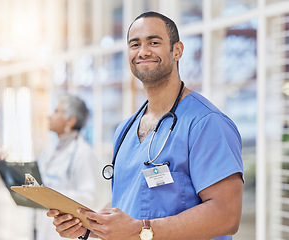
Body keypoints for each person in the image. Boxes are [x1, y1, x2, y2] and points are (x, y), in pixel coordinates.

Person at [47, 11, 244, 240]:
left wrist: (139, 230)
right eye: (135, 44)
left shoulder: (206, 124)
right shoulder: (125, 130)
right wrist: (90, 225)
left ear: (177, 50)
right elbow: (132, 200)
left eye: (154, 42)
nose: (143, 51)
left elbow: (226, 215)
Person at [34, 94, 107, 240]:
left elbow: (90, 198)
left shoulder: (84, 153)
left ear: (70, 120)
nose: (50, 116)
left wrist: (53, 196)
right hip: (44, 226)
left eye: (57, 111)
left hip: (67, 232)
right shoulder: (50, 150)